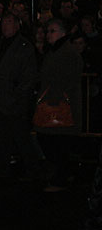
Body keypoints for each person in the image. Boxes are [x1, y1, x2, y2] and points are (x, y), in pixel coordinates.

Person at [0, 12, 42, 183]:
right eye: (4, 22)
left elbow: (29, 77)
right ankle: (2, 169)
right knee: (2, 137)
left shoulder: (25, 47)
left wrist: (17, 95)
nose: (5, 26)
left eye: (9, 22)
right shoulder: (0, 45)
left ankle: (34, 170)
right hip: (1, 98)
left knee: (21, 137)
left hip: (15, 100)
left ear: (17, 25)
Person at [35, 18, 83, 192]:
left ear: (63, 33)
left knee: (57, 141)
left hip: (61, 105)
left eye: (52, 31)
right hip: (57, 104)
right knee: (54, 140)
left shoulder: (66, 53)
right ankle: (63, 174)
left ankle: (61, 179)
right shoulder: (56, 51)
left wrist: (52, 94)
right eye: (48, 31)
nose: (48, 35)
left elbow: (67, 79)